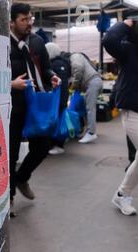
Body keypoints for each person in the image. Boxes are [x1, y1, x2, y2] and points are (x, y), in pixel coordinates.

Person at [103, 16, 138, 231]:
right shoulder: (129, 49)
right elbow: (109, 41)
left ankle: (122, 195)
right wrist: (125, 24)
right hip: (134, 112)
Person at [9, 3, 61, 214]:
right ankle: (9, 198)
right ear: (11, 21)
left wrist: (52, 76)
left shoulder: (38, 41)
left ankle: (22, 178)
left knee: (43, 146)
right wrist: (11, 84)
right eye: (24, 19)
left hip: (37, 103)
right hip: (14, 105)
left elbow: (46, 67)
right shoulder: (3, 44)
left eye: (30, 18)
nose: (29, 23)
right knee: (11, 154)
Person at [69, 52, 103, 144]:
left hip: (92, 83)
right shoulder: (77, 57)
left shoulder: (74, 56)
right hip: (93, 82)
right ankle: (88, 131)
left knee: (90, 108)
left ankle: (91, 133)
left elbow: (78, 68)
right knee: (86, 107)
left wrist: (74, 85)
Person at [45, 42, 72, 155]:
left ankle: (58, 145)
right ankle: (58, 144)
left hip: (58, 98)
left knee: (56, 121)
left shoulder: (55, 64)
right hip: (63, 97)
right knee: (59, 120)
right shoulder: (64, 63)